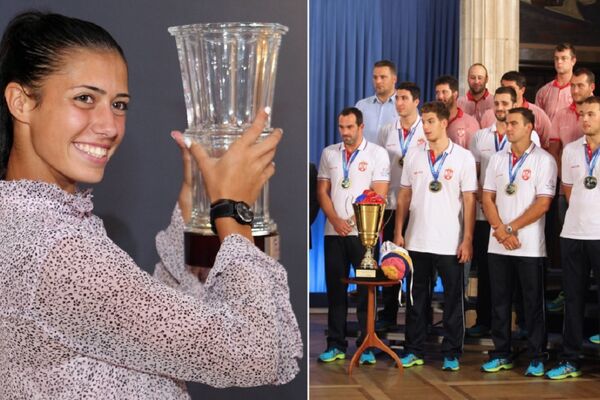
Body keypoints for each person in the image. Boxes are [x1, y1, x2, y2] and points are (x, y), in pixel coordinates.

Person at [0, 11, 302, 399]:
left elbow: (147, 332)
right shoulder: (59, 254)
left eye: (119, 104)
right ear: (21, 102)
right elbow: (253, 354)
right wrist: (233, 210)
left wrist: (192, 206)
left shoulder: (30, 228)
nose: (109, 126)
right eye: (85, 98)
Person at [394, 101, 476, 371]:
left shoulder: (463, 157)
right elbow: (404, 195)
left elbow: (469, 201)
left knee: (453, 300)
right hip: (416, 240)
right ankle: (414, 350)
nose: (426, 127)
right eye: (424, 122)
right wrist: (398, 231)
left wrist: (467, 239)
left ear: (444, 123)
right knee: (416, 300)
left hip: (450, 242)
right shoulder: (414, 155)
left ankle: (451, 352)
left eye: (430, 121)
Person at [480, 108, 557, 377]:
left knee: (532, 304)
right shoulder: (497, 159)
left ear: (529, 127)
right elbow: (487, 198)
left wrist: (510, 228)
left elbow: (543, 203)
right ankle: (501, 353)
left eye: (514, 123)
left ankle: (537, 356)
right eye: (506, 123)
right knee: (499, 303)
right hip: (498, 243)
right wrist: (500, 230)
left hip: (529, 246)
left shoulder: (544, 160)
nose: (508, 127)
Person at [317, 107, 390, 365]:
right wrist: (336, 221)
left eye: (349, 127)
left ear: (361, 127)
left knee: (365, 292)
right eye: (341, 127)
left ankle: (366, 344)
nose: (345, 132)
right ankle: (335, 344)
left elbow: (378, 194)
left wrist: (350, 222)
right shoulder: (329, 153)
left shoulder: (377, 154)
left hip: (364, 235)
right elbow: (322, 191)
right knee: (336, 291)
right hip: (333, 232)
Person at [546, 96, 600, 380]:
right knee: (573, 299)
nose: (585, 119)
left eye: (591, 114)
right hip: (573, 233)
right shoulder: (570, 151)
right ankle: (570, 360)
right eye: (582, 114)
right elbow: (569, 191)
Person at [546, 68, 595, 314]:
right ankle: (568, 292)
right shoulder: (562, 115)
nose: (574, 90)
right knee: (572, 257)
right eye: (572, 86)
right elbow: (555, 151)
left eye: (580, 85)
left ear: (591, 87)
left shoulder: (597, 111)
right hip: (569, 190)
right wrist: (569, 186)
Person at [376, 82, 425, 330]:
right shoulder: (387, 129)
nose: (399, 103)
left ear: (416, 101)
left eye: (404, 98)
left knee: (417, 262)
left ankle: (419, 318)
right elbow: (380, 163)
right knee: (390, 260)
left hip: (418, 206)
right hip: (391, 205)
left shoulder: (426, 128)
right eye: (397, 98)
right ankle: (388, 314)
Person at [480, 71, 553, 149]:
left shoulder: (538, 114)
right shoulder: (489, 114)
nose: (506, 91)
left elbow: (547, 143)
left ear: (522, 90)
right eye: (503, 87)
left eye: (511, 88)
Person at [355, 60, 398, 143]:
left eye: (383, 77)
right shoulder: (361, 106)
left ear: (394, 79)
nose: (378, 81)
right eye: (375, 77)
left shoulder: (406, 107)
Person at [435, 75, 480, 150]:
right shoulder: (432, 121)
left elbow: (474, 154)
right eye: (437, 93)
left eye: (444, 92)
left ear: (455, 94)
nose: (440, 97)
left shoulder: (470, 123)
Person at [535, 43, 577, 121]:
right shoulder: (543, 91)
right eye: (556, 58)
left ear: (573, 61)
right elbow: (538, 121)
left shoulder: (581, 90)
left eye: (564, 58)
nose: (559, 61)